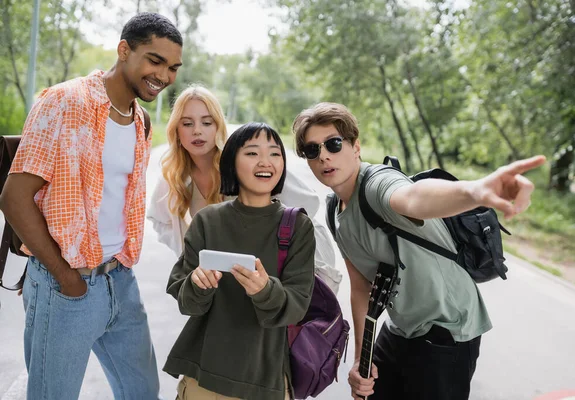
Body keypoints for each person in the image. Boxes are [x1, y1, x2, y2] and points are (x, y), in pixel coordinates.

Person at [292, 102, 546, 400]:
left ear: (356, 146)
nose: (323, 155)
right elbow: (361, 286)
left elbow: (413, 198)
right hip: (402, 328)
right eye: (312, 150)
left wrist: (475, 191)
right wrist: (363, 358)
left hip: (447, 328)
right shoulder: (335, 211)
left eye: (333, 144)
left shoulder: (377, 185)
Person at [0, 13, 183, 400]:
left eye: (173, 67)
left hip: (121, 279)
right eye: (155, 60)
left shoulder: (141, 121)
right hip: (67, 284)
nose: (165, 75)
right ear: (123, 50)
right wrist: (64, 276)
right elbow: (14, 197)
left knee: (142, 392)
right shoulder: (65, 101)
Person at [164, 122, 316, 400]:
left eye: (274, 153)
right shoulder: (208, 221)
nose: (265, 162)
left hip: (264, 382)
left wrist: (264, 290)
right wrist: (197, 283)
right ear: (232, 161)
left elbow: (297, 306)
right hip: (204, 378)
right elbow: (186, 300)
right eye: (252, 153)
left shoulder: (298, 226)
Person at [147, 85, 341, 292]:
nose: (197, 130)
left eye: (206, 122)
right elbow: (159, 220)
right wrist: (194, 254)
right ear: (176, 130)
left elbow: (307, 206)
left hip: (281, 273)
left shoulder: (243, 160)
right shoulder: (175, 175)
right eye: (187, 123)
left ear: (218, 126)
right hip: (228, 280)